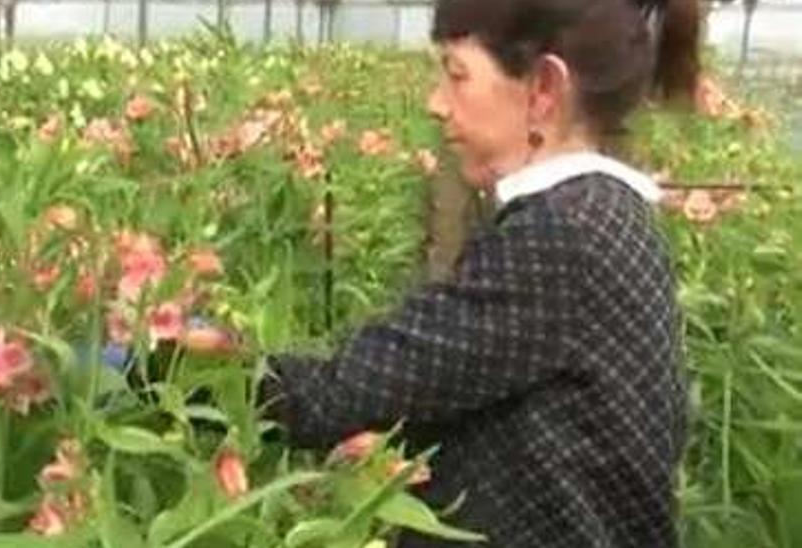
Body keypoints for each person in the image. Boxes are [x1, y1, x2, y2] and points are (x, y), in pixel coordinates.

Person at [258, 0, 702, 546]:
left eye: (457, 74)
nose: (436, 103)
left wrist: (177, 369)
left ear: (542, 88)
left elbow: (350, 390)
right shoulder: (605, 214)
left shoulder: (560, 236)